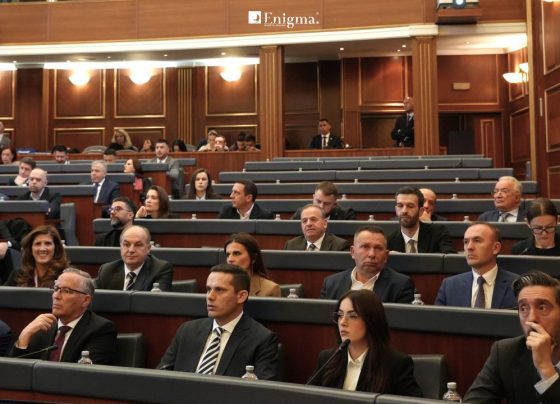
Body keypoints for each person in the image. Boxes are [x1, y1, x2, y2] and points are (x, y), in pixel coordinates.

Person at [158, 264, 278, 379]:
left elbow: (261, 390)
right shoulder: (187, 331)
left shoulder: (262, 340)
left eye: (219, 290)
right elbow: (161, 375)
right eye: (208, 289)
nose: (210, 296)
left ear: (241, 296)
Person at [464, 271, 560, 403]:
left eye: (542, 307)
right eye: (523, 308)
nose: (531, 318)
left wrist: (545, 369)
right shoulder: (506, 352)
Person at [310, 289, 423, 396]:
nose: (343, 322)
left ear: (371, 321)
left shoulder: (395, 364)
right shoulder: (327, 359)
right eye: (340, 315)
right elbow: (307, 397)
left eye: (352, 316)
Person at [10, 268, 117, 364]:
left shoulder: (101, 330)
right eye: (56, 289)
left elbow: (85, 375)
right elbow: (16, 372)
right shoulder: (44, 326)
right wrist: (24, 336)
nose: (56, 296)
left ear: (85, 300)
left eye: (66, 291)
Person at [320, 226, 415, 302]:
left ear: (386, 255)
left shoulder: (400, 285)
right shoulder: (331, 283)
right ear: (353, 252)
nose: (371, 254)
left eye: (378, 248)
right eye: (365, 247)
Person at [435, 222, 518, 308]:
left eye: (477, 240)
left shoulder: (517, 285)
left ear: (496, 248)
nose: (469, 247)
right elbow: (438, 316)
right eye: (466, 242)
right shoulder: (449, 286)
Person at [96, 225, 173, 291]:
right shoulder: (107, 270)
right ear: (120, 247)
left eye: (138, 245)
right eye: (126, 245)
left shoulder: (160, 269)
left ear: (148, 248)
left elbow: (155, 301)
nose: (131, 250)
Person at [387, 186, 455, 254]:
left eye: (410, 206)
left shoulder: (438, 232)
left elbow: (449, 256)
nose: (404, 211)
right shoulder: (389, 239)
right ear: (396, 209)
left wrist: (402, 258)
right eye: (400, 206)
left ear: (421, 211)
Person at [4, 225, 69, 287]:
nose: (42, 249)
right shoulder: (18, 275)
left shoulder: (66, 275)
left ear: (56, 248)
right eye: (37, 244)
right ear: (30, 249)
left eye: (48, 243)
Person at [224, 233, 280, 297]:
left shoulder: (270, 289)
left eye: (237, 253)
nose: (230, 259)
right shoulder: (219, 285)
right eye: (228, 255)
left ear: (253, 258)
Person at [284, 204, 351, 251]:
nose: (308, 224)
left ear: (325, 223)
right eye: (304, 221)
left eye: (313, 219)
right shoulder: (291, 245)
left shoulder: (340, 246)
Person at [292, 181, 356, 220]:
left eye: (327, 204)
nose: (321, 206)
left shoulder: (346, 215)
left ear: (334, 205)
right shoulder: (301, 213)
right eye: (318, 201)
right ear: (313, 198)